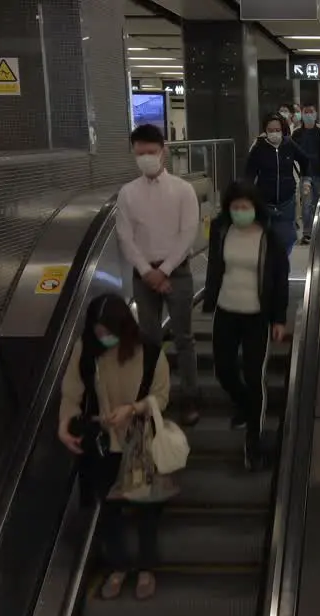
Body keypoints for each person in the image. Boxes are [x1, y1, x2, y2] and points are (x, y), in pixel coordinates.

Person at [58, 294, 172, 601]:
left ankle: (146, 567)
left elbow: (160, 398)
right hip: (103, 443)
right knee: (108, 509)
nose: (103, 338)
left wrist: (133, 409)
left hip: (138, 442)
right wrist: (64, 423)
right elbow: (72, 393)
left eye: (107, 332)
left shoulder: (149, 352)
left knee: (145, 508)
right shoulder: (87, 350)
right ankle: (119, 566)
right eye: (97, 332)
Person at [116, 124, 202, 425]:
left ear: (163, 150)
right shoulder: (127, 193)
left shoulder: (183, 190)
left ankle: (190, 398)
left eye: (151, 152)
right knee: (148, 339)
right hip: (143, 276)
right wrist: (146, 271)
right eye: (140, 154)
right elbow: (125, 237)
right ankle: (150, 399)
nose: (146, 158)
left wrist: (163, 271)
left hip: (177, 273)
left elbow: (188, 233)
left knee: (184, 339)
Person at [202, 181, 291, 470]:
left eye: (246, 207)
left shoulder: (270, 237)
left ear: (255, 207)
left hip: (256, 316)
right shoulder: (221, 231)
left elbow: (279, 281)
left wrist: (278, 318)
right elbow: (215, 267)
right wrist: (209, 299)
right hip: (226, 311)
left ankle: (254, 441)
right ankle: (241, 403)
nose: (240, 212)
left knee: (255, 376)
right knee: (223, 369)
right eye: (235, 207)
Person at [246, 113, 310, 258]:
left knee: (288, 237)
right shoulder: (259, 147)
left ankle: (282, 263)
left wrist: (305, 180)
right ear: (265, 131)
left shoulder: (289, 144)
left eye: (277, 130)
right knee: (264, 238)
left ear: (282, 130)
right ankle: (267, 265)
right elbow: (249, 173)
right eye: (270, 130)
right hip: (265, 201)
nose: (274, 133)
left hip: (286, 200)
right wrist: (248, 196)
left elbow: (305, 159)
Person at [292, 103, 320, 243]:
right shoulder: (296, 133)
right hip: (305, 175)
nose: (309, 115)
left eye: (311, 112)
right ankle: (308, 233)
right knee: (307, 204)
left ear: (316, 114)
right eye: (306, 112)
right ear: (302, 114)